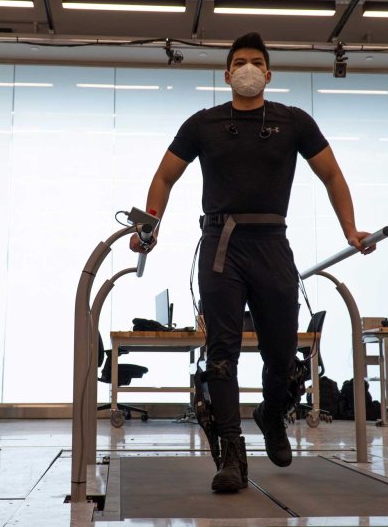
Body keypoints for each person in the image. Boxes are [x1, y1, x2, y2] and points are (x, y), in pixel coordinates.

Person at [130, 32, 374, 493]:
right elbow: (165, 176)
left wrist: (350, 228)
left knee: (281, 352)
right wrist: (150, 228)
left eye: (255, 61)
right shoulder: (202, 124)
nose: (247, 68)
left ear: (268, 72)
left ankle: (271, 414)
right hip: (221, 243)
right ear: (226, 74)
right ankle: (231, 455)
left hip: (272, 241)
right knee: (221, 353)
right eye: (238, 61)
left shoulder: (293, 121)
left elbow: (332, 174)